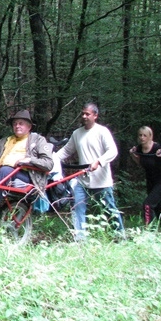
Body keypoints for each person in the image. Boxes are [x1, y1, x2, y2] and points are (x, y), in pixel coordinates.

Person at [56, 103, 125, 241]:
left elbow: (112, 151)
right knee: (77, 206)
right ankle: (80, 238)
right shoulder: (77, 133)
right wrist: (52, 159)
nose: (84, 116)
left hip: (101, 180)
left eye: (87, 114)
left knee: (109, 208)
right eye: (83, 114)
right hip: (82, 179)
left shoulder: (102, 131)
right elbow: (66, 150)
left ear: (95, 116)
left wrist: (99, 162)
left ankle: (120, 235)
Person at [129, 126, 161, 226]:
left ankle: (149, 230)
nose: (142, 138)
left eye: (145, 135)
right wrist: (132, 155)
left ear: (150, 137)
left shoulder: (158, 148)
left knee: (147, 205)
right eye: (140, 135)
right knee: (158, 207)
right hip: (150, 181)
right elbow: (141, 162)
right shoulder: (139, 149)